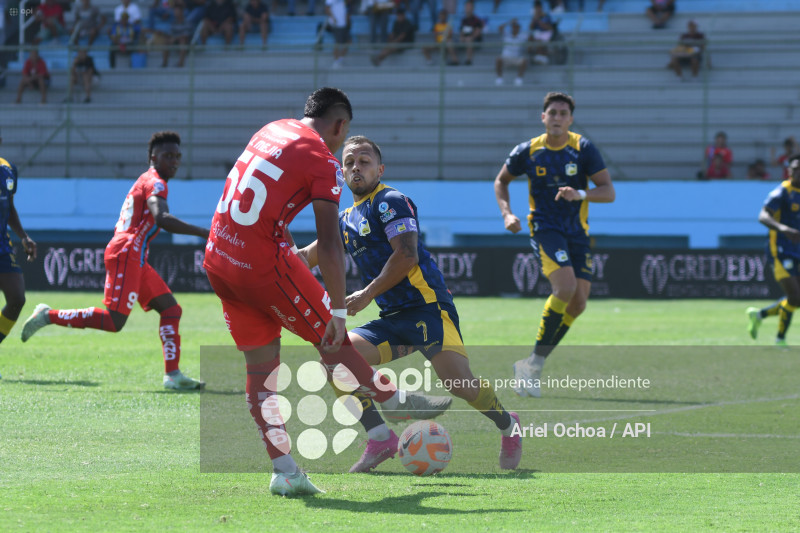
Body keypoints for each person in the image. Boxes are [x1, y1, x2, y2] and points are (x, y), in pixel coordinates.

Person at [202, 88, 451, 496]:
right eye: (344, 139)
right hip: (262, 264)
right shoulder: (319, 155)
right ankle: (389, 398)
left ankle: (285, 471)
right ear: (341, 126)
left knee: (260, 373)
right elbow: (330, 243)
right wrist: (337, 309)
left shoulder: (272, 129)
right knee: (331, 337)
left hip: (219, 259)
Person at [299, 135, 522, 472]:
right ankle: (379, 437)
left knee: (459, 383)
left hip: (428, 308)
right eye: (349, 162)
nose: (356, 167)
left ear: (380, 168)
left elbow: (406, 255)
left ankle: (509, 424)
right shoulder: (344, 219)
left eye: (364, 161)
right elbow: (306, 257)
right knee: (334, 358)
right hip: (392, 318)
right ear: (342, 172)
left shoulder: (390, 200)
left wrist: (366, 295)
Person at [21, 132, 209, 392]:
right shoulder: (155, 182)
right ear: (153, 158)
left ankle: (173, 374)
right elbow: (162, 218)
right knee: (114, 321)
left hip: (135, 256)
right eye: (168, 156)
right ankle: (48, 315)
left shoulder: (148, 180)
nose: (174, 161)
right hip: (127, 252)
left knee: (171, 309)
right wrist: (203, 233)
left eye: (177, 156)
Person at [493, 92, 615, 398]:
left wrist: (581, 194)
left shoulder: (583, 149)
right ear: (543, 117)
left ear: (570, 119)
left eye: (563, 113)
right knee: (564, 288)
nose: (558, 118)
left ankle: (532, 363)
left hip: (577, 232)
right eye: (553, 112)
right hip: (545, 228)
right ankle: (532, 365)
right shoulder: (529, 151)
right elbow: (501, 180)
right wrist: (507, 213)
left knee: (579, 303)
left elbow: (608, 191)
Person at [747, 154, 800, 347]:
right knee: (795, 296)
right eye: (793, 169)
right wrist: (783, 228)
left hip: (797, 251)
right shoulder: (782, 192)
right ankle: (780, 339)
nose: (795, 172)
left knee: (797, 298)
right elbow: (763, 216)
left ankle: (759, 315)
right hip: (780, 251)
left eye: (798, 169)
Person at [0, 141, 37, 365]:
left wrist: (23, 236)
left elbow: (9, 206)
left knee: (17, 298)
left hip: (2, 246)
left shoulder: (8, 169)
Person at [495, 18, 529, 86]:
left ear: (519, 28)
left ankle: (519, 79)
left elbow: (530, 38)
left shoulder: (522, 36)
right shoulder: (506, 35)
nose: (515, 29)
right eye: (514, 27)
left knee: (524, 61)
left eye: (516, 27)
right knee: (498, 59)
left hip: (516, 58)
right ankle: (499, 78)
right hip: (506, 57)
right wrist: (509, 22)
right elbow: (500, 28)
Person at [454, 0, 483, 66]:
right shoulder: (463, 20)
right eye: (466, 6)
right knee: (451, 41)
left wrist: (470, 38)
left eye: (469, 6)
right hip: (465, 39)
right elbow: (461, 31)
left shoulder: (476, 20)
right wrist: (462, 38)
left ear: (473, 8)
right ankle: (455, 60)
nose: (467, 8)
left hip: (475, 40)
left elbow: (477, 32)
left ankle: (469, 59)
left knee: (469, 40)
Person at [325, 0, 350, 69]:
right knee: (337, 43)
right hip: (336, 24)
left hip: (343, 23)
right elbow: (327, 9)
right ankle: (336, 61)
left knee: (349, 41)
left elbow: (346, 6)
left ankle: (340, 59)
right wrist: (333, 18)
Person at [529, 0, 553, 65]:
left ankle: (541, 57)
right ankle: (536, 56)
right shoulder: (534, 17)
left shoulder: (546, 16)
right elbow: (530, 28)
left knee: (540, 40)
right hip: (538, 33)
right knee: (530, 38)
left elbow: (549, 28)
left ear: (541, 7)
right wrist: (534, 19)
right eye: (536, 8)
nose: (538, 9)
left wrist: (539, 20)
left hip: (546, 33)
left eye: (538, 7)